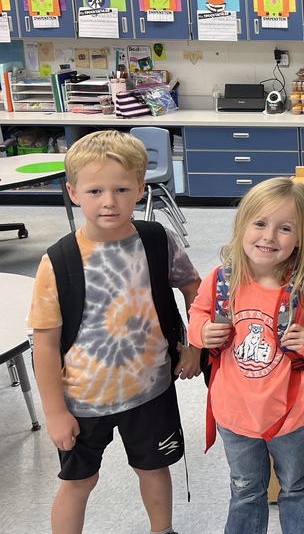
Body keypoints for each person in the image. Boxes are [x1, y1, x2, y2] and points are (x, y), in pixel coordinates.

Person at [28, 130, 202, 534]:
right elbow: (45, 343)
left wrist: (194, 346)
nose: (109, 201)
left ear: (141, 189)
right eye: (95, 191)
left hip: (151, 389)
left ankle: (164, 531)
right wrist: (55, 412)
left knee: (154, 468)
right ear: (73, 192)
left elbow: (194, 289)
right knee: (78, 481)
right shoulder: (58, 262)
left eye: (122, 189)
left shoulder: (157, 240)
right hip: (83, 400)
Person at [188, 177, 304, 534]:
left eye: (284, 228)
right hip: (233, 411)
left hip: (292, 413)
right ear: (242, 225)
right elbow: (196, 316)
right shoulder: (220, 280)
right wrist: (201, 332)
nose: (269, 236)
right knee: (246, 488)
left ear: (301, 238)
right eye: (260, 223)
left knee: (295, 485)